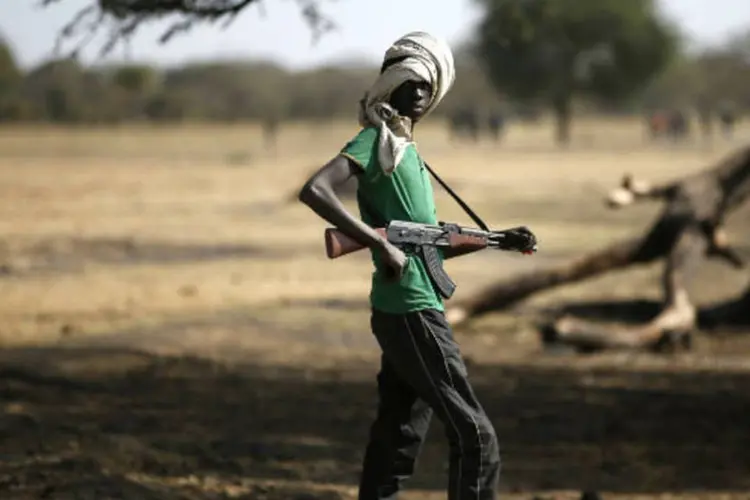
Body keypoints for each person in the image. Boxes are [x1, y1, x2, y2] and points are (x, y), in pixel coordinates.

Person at [298, 31, 518, 499]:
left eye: (426, 86)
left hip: (407, 307)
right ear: (387, 86)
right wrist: (380, 245)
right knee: (477, 436)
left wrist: (500, 239)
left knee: (399, 436)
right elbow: (315, 189)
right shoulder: (372, 142)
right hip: (413, 309)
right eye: (408, 83)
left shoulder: (405, 151)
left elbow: (432, 241)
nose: (418, 93)